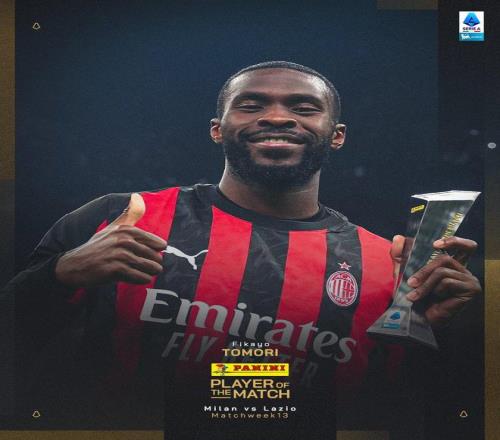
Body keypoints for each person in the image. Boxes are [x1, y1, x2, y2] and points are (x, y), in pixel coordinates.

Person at [4, 61, 481, 433]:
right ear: (218, 128)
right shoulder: (119, 216)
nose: (277, 117)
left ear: (336, 136)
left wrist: (440, 333)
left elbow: (393, 403)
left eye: (303, 108)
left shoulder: (385, 263)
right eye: (251, 105)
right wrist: (59, 273)